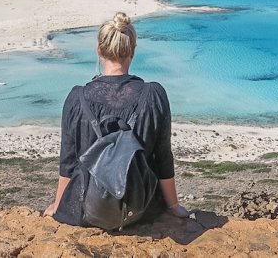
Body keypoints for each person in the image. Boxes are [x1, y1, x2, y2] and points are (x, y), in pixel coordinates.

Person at [44, 12, 189, 225]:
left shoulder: (77, 98)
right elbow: (163, 157)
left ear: (99, 50)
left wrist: (59, 205)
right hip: (142, 208)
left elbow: (68, 161)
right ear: (132, 50)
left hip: (86, 209)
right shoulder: (154, 95)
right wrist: (173, 206)